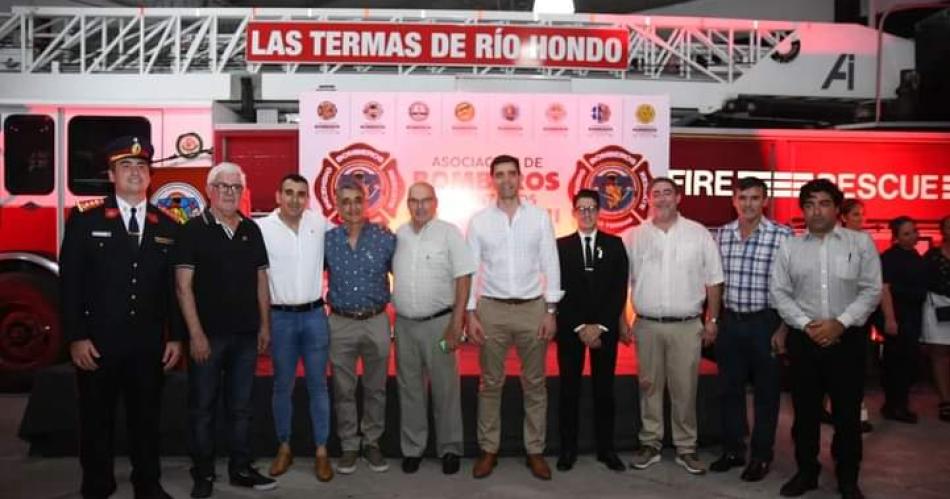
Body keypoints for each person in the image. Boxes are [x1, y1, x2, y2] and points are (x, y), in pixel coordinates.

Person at [60, 136, 182, 499]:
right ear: (111, 175)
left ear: (150, 175)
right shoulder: (86, 219)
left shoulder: (167, 225)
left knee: (147, 419)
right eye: (126, 166)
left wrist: (175, 337)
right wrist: (76, 336)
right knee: (96, 419)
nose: (135, 173)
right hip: (98, 342)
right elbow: (70, 284)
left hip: (147, 344)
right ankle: (97, 483)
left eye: (142, 166)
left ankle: (148, 483)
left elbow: (173, 289)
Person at [770, 179, 882, 499]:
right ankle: (807, 472)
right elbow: (779, 292)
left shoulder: (860, 243)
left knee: (847, 415)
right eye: (809, 205)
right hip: (804, 341)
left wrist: (840, 324)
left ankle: (848, 478)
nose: (816, 211)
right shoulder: (790, 247)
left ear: (837, 208)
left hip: (847, 340)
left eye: (823, 203)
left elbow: (871, 290)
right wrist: (806, 325)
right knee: (805, 414)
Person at [174, 162, 276, 498]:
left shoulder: (251, 230)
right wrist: (195, 334)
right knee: (202, 408)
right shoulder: (192, 230)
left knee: (241, 407)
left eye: (236, 187)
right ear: (209, 190)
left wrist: (264, 325)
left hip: (246, 336)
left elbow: (261, 280)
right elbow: (183, 287)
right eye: (223, 186)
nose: (230, 192)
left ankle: (241, 469)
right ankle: (203, 473)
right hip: (208, 338)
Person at [466, 154, 562, 481]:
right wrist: (470, 313)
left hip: (532, 309)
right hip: (491, 309)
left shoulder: (539, 218)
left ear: (520, 178)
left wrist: (551, 310)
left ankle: (535, 450)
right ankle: (488, 449)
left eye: (511, 174)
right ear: (492, 179)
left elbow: (551, 264)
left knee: (535, 384)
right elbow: (470, 270)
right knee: (489, 384)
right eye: (500, 174)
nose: (506, 179)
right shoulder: (479, 221)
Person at [624, 177, 724, 476]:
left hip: (686, 326)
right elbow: (621, 282)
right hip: (647, 326)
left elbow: (714, 280)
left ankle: (686, 447)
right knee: (649, 387)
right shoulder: (634, 236)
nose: (662, 198)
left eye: (668, 193)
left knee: (685, 389)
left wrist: (712, 319)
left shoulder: (698, 234)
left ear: (678, 197)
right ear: (649, 199)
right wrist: (621, 321)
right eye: (656, 194)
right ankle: (650, 443)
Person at [710, 177, 792, 482]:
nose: (748, 204)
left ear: (765, 201)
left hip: (765, 323)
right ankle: (733, 450)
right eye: (742, 198)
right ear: (734, 201)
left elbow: (793, 286)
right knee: (728, 391)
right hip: (731, 323)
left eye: (755, 198)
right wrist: (714, 320)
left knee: (766, 395)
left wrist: (783, 329)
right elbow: (715, 282)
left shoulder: (783, 236)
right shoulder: (722, 235)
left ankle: (761, 456)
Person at [391, 182, 475, 475]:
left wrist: (456, 323)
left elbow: (463, 278)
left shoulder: (449, 233)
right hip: (405, 327)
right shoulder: (399, 235)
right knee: (409, 388)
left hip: (441, 327)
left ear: (435, 202)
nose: (420, 206)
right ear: (407, 204)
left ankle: (450, 448)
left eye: (425, 200)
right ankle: (413, 448)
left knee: (445, 388)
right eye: (414, 201)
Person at [257, 174, 334, 481]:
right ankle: (284, 447)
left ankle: (321, 452)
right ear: (278, 196)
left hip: (315, 315)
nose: (294, 199)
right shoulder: (262, 229)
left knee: (319, 386)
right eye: (288, 193)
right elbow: (259, 280)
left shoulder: (320, 224)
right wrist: (263, 324)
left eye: (301, 194)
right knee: (282, 386)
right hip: (281, 319)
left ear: (307, 199)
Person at [324, 179, 396, 475]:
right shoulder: (328, 240)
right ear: (337, 206)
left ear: (366, 203)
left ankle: (372, 442)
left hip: (376, 321)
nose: (352, 207)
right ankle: (349, 445)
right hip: (340, 323)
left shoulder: (385, 238)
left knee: (376, 388)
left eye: (357, 200)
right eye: (346, 201)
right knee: (343, 389)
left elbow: (405, 274)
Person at [554, 189, 628, 472]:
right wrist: (580, 326)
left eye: (591, 208)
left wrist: (600, 326)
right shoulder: (560, 247)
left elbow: (618, 290)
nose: (586, 213)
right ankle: (568, 449)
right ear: (574, 212)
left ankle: (606, 449)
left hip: (604, 329)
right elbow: (558, 290)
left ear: (599, 212)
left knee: (604, 390)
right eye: (581, 208)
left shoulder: (615, 245)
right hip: (571, 328)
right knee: (569, 390)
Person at [878, 216, 926, 424]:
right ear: (896, 237)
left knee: (908, 362)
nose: (913, 236)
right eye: (907, 233)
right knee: (897, 364)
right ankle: (894, 406)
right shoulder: (890, 258)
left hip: (913, 316)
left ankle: (900, 404)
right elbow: (884, 289)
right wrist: (890, 319)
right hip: (898, 317)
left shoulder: (915, 255)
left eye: (914, 231)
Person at [835, 199, 874, 433]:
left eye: (862, 214)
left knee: (856, 369)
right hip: (837, 315)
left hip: (859, 316)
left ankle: (858, 414)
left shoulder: (866, 242)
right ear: (844, 217)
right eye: (856, 214)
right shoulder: (836, 241)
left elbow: (872, 282)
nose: (861, 219)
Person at [922, 216, 950, 423]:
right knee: (939, 354)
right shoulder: (932, 255)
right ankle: (945, 401)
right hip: (937, 305)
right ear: (942, 230)